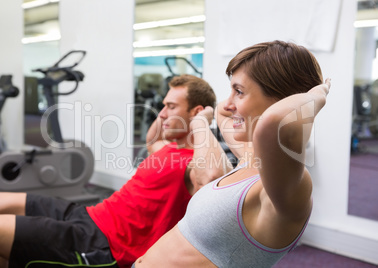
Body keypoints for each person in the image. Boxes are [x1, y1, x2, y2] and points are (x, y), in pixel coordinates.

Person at [0, 74, 232, 268]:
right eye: (163, 106)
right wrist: (170, 112)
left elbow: (210, 176)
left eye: (171, 107)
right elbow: (152, 138)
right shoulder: (167, 149)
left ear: (196, 112)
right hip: (89, 214)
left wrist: (201, 121)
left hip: (105, 243)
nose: (162, 114)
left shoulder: (194, 164)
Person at [134, 40, 331, 267]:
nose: (228, 103)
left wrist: (318, 94)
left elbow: (272, 122)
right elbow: (222, 112)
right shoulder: (250, 159)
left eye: (238, 92)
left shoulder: (287, 190)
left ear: (282, 101)